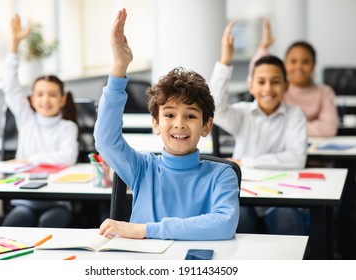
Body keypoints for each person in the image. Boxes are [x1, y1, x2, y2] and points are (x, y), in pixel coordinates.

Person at [94, 8, 239, 240]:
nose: (179, 124)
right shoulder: (142, 168)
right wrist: (119, 68)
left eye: (190, 116)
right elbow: (105, 140)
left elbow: (223, 224)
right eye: (169, 115)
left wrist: (145, 230)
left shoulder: (222, 174)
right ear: (155, 123)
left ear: (206, 126)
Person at [210, 21, 308, 235]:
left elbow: (296, 158)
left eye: (275, 82)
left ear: (286, 86)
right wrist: (225, 60)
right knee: (238, 222)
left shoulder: (295, 114)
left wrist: (245, 162)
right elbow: (214, 107)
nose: (268, 89)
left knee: (287, 222)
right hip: (245, 192)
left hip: (282, 193)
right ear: (251, 86)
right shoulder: (242, 113)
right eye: (261, 82)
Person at [1, 14, 79, 227]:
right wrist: (14, 46)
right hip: (25, 201)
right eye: (40, 94)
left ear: (62, 99)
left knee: (48, 225)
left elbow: (67, 157)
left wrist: (28, 160)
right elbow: (10, 87)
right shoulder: (26, 120)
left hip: (57, 201)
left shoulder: (67, 127)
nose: (46, 100)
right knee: (12, 227)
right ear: (32, 100)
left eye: (52, 95)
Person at [248, 17, 338, 137]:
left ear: (313, 65)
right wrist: (264, 47)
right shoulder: (279, 89)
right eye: (293, 61)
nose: (299, 67)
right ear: (285, 64)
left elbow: (329, 128)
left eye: (305, 62)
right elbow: (257, 73)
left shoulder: (325, 92)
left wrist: (291, 126)